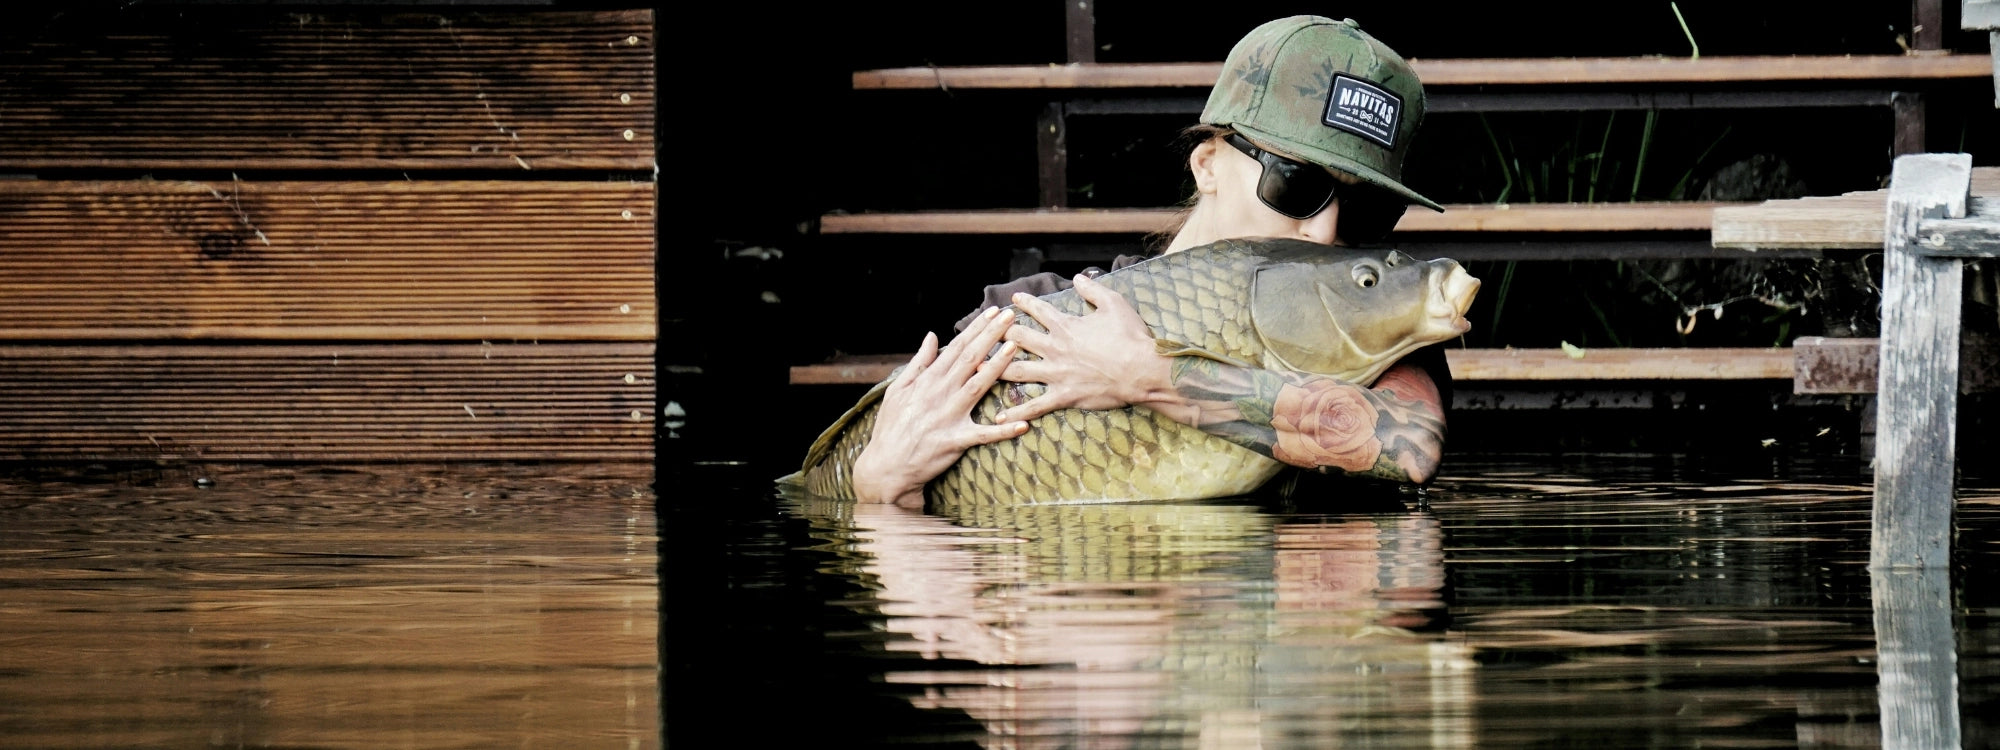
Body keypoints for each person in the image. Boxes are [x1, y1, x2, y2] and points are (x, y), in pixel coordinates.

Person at [851, 16, 1452, 506]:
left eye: (1368, 211)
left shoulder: (1364, 328)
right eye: (1296, 185)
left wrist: (1150, 377)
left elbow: (1410, 448)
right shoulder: (1029, 313)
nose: (1325, 231)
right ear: (1207, 163)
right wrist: (876, 486)